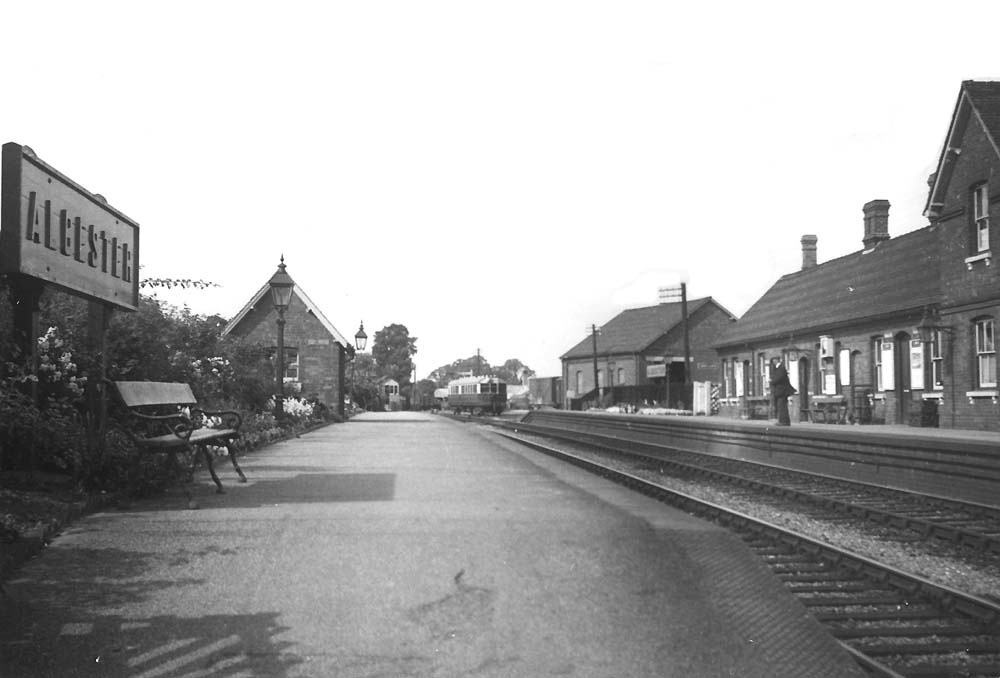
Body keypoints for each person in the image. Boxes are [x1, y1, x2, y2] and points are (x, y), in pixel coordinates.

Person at [769, 357, 796, 426]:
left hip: (782, 391)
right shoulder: (777, 368)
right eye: (772, 361)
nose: (773, 362)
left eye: (774, 360)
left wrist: (772, 381)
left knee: (782, 406)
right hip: (780, 391)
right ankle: (783, 421)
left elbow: (779, 377)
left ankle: (784, 421)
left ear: (777, 360)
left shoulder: (781, 367)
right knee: (781, 406)